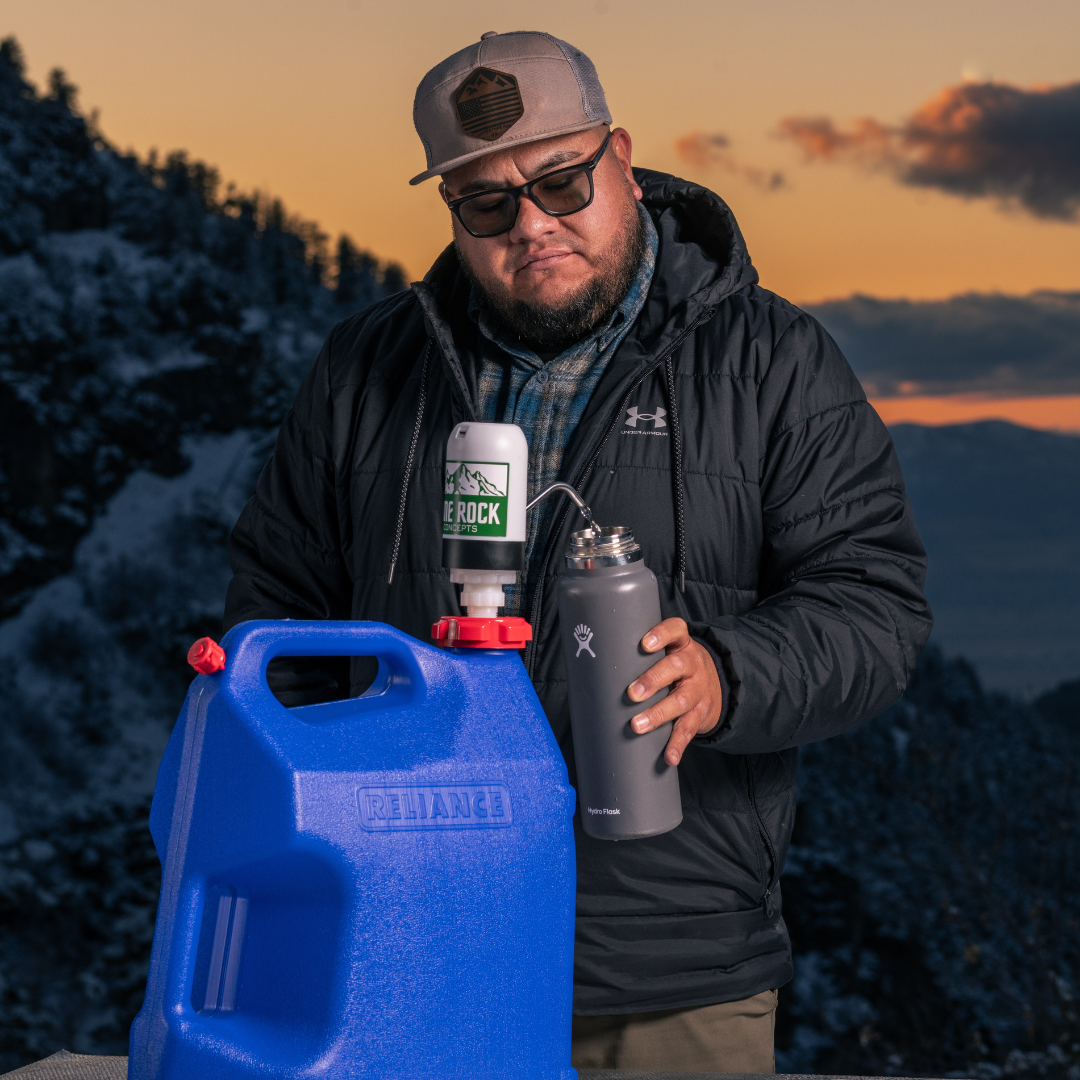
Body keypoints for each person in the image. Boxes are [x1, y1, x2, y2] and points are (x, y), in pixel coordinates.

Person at [224, 31, 932, 1073]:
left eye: (561, 181)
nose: (532, 224)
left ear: (623, 161)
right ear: (451, 211)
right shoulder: (364, 369)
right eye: (486, 203)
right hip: (410, 946)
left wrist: (728, 674)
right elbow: (276, 606)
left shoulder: (774, 363)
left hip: (666, 966)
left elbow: (875, 604)